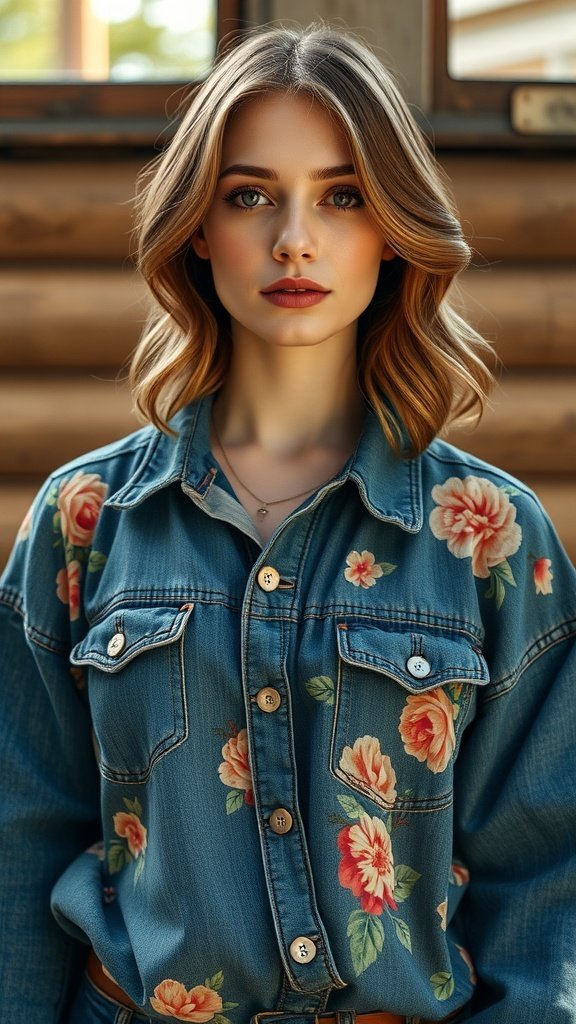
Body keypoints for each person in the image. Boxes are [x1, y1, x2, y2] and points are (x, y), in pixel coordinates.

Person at [0, 21, 574, 1024]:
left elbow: (550, 869)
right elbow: (17, 837)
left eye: (341, 195)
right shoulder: (84, 524)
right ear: (196, 227)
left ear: (391, 227)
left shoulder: (488, 538)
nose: (294, 237)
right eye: (250, 194)